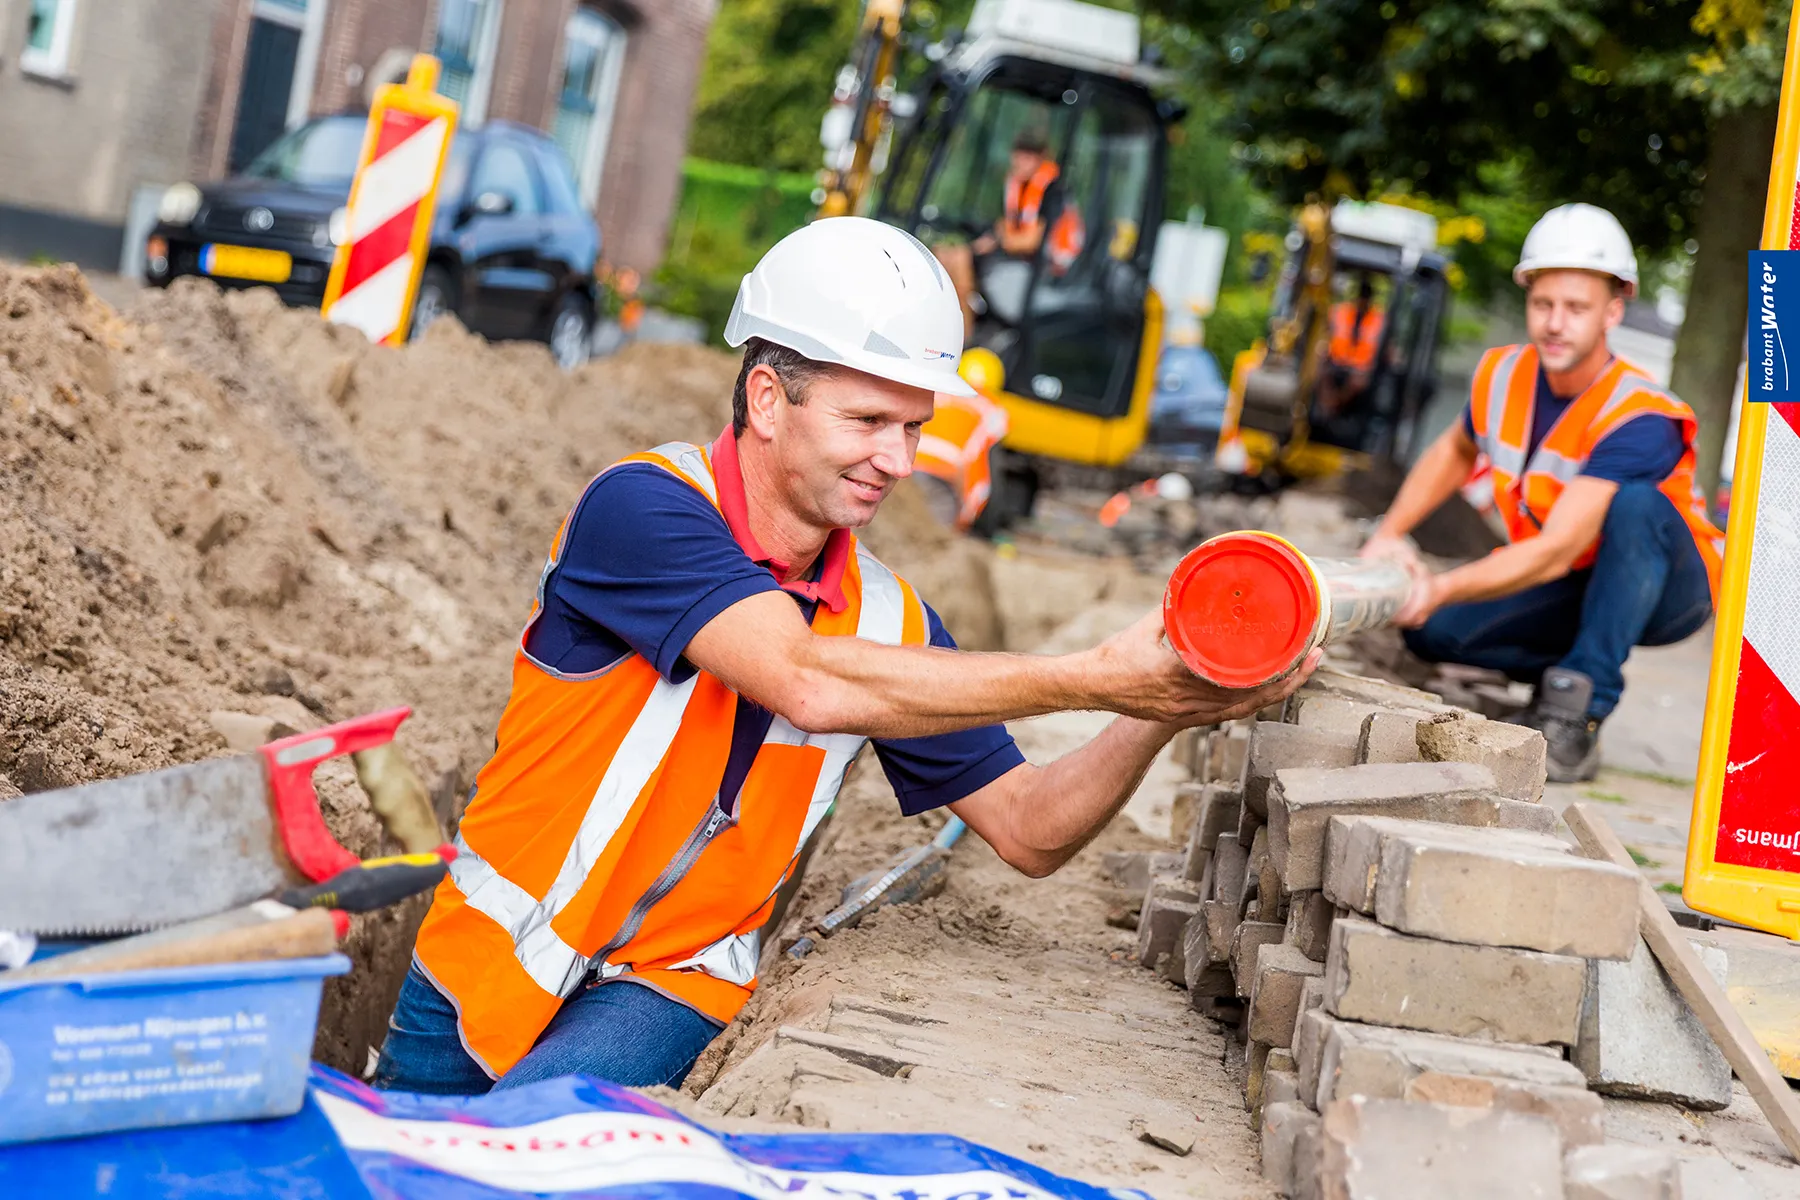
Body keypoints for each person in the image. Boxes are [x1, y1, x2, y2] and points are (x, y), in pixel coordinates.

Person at [372, 217, 1314, 1095]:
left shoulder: (890, 621)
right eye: (869, 423)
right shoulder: (642, 509)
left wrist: (1152, 706)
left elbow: (1030, 827)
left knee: (522, 1157)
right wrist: (1091, 674)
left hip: (667, 984)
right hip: (481, 970)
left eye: (914, 428)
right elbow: (802, 678)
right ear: (768, 398)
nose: (900, 461)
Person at [1362, 203, 1722, 783]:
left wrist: (1439, 584)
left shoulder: (1641, 413)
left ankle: (1577, 707)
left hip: (1670, 588)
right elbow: (1455, 450)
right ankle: (1563, 671)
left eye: (1576, 308)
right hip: (1576, 575)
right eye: (1543, 304)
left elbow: (1555, 549)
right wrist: (1388, 535)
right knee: (1431, 629)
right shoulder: (1501, 374)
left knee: (1634, 506)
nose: (1555, 323)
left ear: (1612, 311)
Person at [936, 128, 1084, 337]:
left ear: (1041, 157)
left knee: (961, 260)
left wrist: (1001, 238)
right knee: (945, 255)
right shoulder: (1019, 185)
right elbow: (1006, 228)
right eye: (1018, 153)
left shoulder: (1053, 189)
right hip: (1021, 261)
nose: (1020, 160)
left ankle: (962, 341)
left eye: (1028, 155)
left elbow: (1031, 241)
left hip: (1051, 273)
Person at [1316, 274, 1384, 419]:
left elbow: (1383, 347)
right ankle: (1326, 406)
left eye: (1365, 298)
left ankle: (1334, 405)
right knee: (1320, 372)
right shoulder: (1340, 312)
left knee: (1357, 382)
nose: (1362, 302)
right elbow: (1325, 333)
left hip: (1361, 369)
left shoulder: (1379, 319)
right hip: (1335, 362)